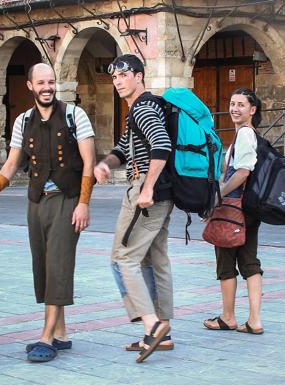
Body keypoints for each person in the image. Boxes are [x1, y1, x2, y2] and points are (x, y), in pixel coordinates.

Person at [0, 63, 96, 362]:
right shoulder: (23, 121)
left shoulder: (76, 116)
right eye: (41, 82)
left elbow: (89, 163)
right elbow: (12, 165)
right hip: (36, 202)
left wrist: (84, 203)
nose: (47, 87)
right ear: (30, 86)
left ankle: (46, 337)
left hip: (67, 199)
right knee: (44, 266)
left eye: (51, 81)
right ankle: (61, 332)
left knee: (58, 265)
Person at [93, 54, 174, 363]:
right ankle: (162, 334)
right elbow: (122, 150)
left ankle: (152, 325)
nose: (118, 82)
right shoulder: (140, 110)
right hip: (160, 192)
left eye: (123, 76)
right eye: (114, 78)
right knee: (155, 261)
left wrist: (148, 187)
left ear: (139, 76)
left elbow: (161, 145)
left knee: (122, 259)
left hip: (146, 191)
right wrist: (105, 164)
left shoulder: (143, 108)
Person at [203, 87, 264, 335]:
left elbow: (243, 171)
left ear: (252, 110)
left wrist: (220, 194)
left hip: (233, 208)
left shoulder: (245, 135)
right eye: (232, 103)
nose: (234, 109)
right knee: (249, 262)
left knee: (226, 262)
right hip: (248, 208)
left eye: (241, 104)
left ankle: (228, 317)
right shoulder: (248, 135)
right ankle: (254, 320)